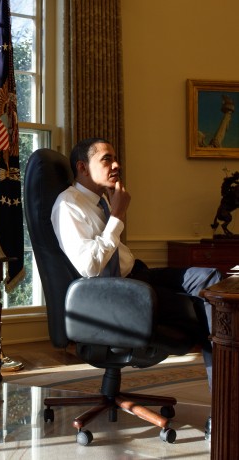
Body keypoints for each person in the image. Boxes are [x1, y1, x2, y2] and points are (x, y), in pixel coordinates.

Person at [51, 137, 221, 440]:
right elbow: (90, 267)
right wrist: (117, 216)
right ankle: (226, 408)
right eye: (106, 159)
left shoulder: (101, 199)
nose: (116, 165)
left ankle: (225, 390)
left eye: (115, 158)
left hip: (136, 276)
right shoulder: (68, 205)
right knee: (208, 310)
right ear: (82, 167)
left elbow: (115, 255)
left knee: (210, 280)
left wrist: (113, 211)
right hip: (113, 296)